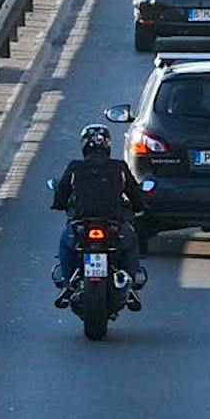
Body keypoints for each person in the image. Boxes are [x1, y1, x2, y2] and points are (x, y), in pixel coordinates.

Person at [50, 125, 146, 302]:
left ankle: (67, 280)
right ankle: (129, 281)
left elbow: (62, 192)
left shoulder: (75, 167)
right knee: (131, 243)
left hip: (82, 222)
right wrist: (139, 206)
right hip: (114, 222)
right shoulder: (119, 167)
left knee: (66, 244)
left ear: (84, 145)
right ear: (108, 145)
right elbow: (134, 192)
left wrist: (58, 203)